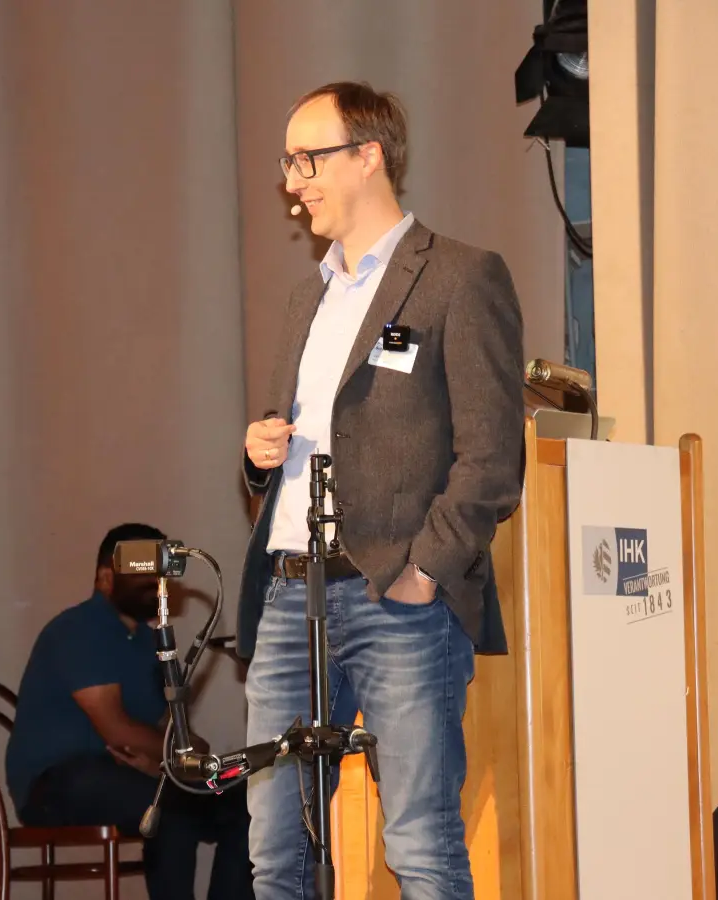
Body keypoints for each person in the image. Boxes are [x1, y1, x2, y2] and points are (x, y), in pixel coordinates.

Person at [236, 82, 524, 899]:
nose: (293, 180)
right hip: (292, 597)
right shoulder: (307, 297)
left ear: (369, 156)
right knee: (276, 850)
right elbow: (308, 439)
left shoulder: (461, 278)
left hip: (399, 597)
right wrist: (260, 456)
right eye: (287, 163)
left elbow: (492, 458)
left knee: (421, 841)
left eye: (307, 158)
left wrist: (424, 571)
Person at [6, 522, 255, 899]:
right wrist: (170, 761)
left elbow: (177, 738)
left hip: (122, 775)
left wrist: (176, 761)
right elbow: (118, 732)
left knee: (248, 806)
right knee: (170, 807)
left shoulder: (145, 641)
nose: (157, 579)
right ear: (106, 578)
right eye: (142, 570)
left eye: (160, 568)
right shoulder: (78, 629)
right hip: (56, 783)